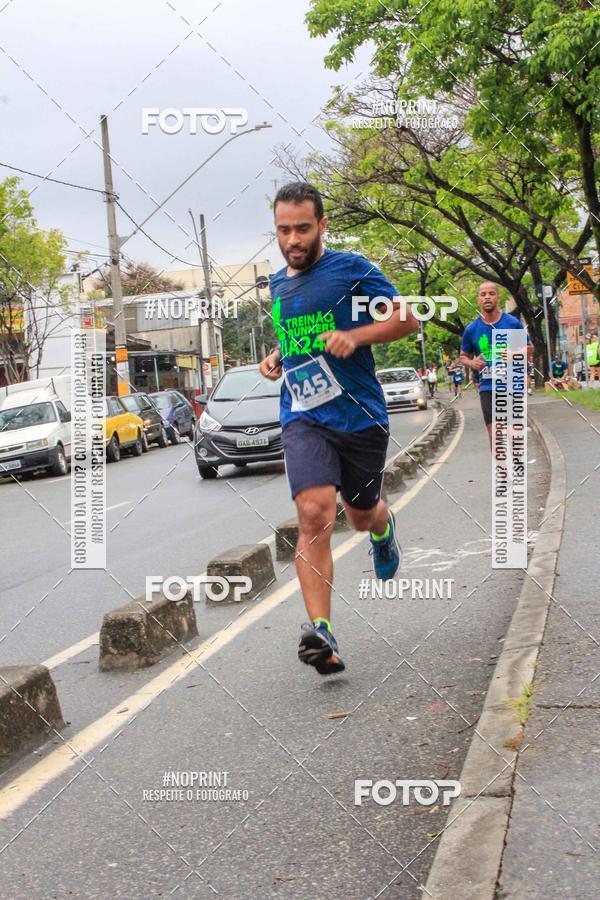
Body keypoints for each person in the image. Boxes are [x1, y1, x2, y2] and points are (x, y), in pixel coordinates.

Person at [259, 182, 418, 676]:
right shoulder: (277, 283)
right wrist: (279, 355)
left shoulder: (353, 269)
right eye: (284, 230)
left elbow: (406, 320)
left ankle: (383, 528)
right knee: (314, 513)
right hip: (304, 415)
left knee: (362, 514)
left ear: (322, 225)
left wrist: (357, 335)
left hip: (360, 416)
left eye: (302, 228)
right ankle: (321, 633)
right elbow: (298, 335)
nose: (293, 239)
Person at [459, 282, 531, 448]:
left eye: (491, 293)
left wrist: (514, 354)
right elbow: (463, 357)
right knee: (495, 433)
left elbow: (529, 348)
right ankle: (502, 472)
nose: (487, 297)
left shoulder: (511, 323)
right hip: (488, 387)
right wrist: (472, 363)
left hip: (512, 384)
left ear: (497, 297)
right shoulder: (472, 329)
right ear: (478, 299)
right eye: (483, 294)